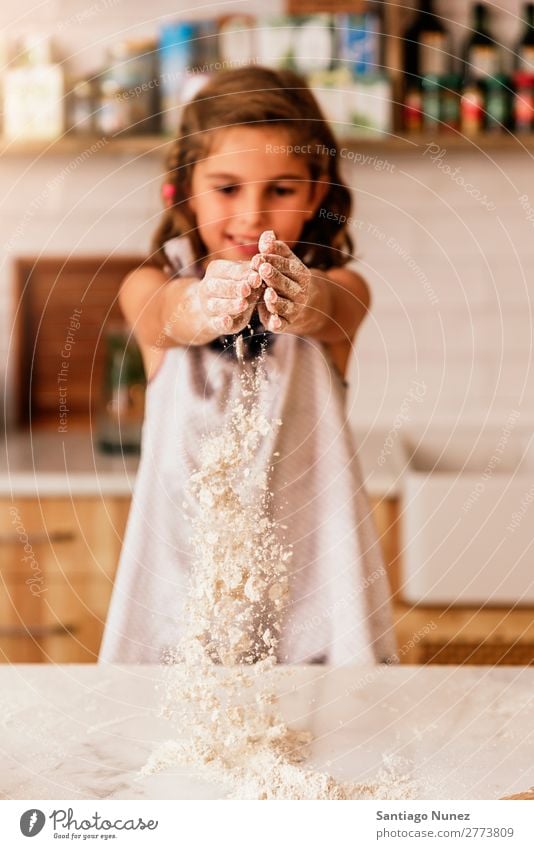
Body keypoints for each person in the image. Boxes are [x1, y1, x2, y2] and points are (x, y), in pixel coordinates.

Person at [99, 66, 396, 665]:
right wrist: (206, 308)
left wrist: (303, 300)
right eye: (227, 188)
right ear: (183, 187)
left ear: (316, 193)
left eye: (281, 189)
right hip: (182, 598)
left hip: (312, 601)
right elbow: (164, 317)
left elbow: (332, 308)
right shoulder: (150, 284)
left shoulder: (341, 287)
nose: (254, 213)